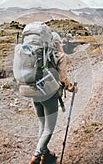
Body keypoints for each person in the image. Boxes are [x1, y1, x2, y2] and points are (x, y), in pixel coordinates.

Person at [30, 31, 78, 164]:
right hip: (49, 96)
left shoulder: (39, 55)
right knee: (49, 128)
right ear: (56, 43)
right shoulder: (59, 56)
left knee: (42, 125)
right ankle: (36, 156)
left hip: (34, 93)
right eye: (59, 43)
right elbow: (63, 79)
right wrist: (71, 88)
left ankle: (45, 154)